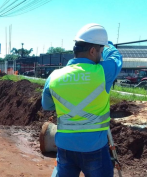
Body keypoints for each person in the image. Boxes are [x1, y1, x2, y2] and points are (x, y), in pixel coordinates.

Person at [42, 23, 122, 177]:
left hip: (65, 147)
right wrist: (109, 45)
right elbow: (116, 57)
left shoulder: (54, 76)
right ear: (93, 50)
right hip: (95, 148)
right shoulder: (103, 72)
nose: (101, 55)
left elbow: (47, 105)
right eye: (100, 51)